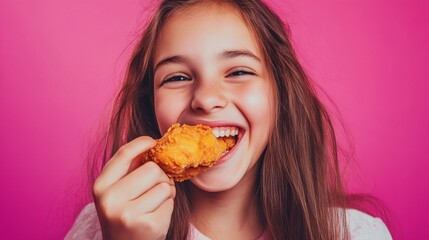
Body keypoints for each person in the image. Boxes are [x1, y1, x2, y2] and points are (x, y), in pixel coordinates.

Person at [66, 0, 392, 239]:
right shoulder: (105, 227)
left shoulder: (357, 234)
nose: (206, 98)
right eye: (177, 78)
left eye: (238, 71)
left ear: (280, 92)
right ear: (149, 102)